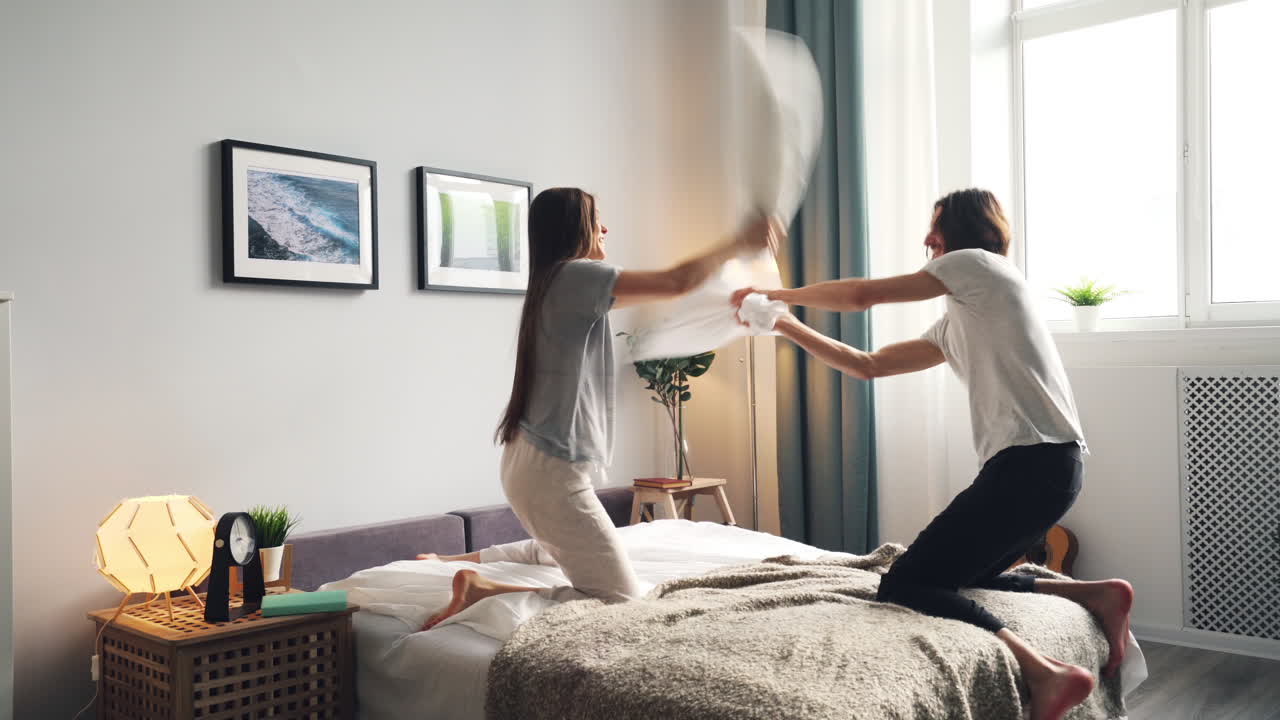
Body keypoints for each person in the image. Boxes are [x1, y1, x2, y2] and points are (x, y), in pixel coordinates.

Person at [731, 189, 1133, 720]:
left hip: (1029, 465)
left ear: (965, 230)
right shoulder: (963, 316)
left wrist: (774, 291)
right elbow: (868, 364)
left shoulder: (978, 265)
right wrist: (783, 323)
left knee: (907, 582)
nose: (927, 238)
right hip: (1050, 468)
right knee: (960, 572)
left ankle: (1046, 672)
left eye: (936, 225)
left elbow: (863, 295)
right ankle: (1096, 595)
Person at [421, 187, 780, 630]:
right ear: (573, 228)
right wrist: (739, 241)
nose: (605, 228)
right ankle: (484, 589)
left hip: (529, 465)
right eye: (595, 219)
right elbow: (675, 282)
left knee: (561, 538)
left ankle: (461, 561)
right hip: (549, 474)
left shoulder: (553, 282)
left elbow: (677, 289)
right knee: (622, 600)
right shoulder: (576, 276)